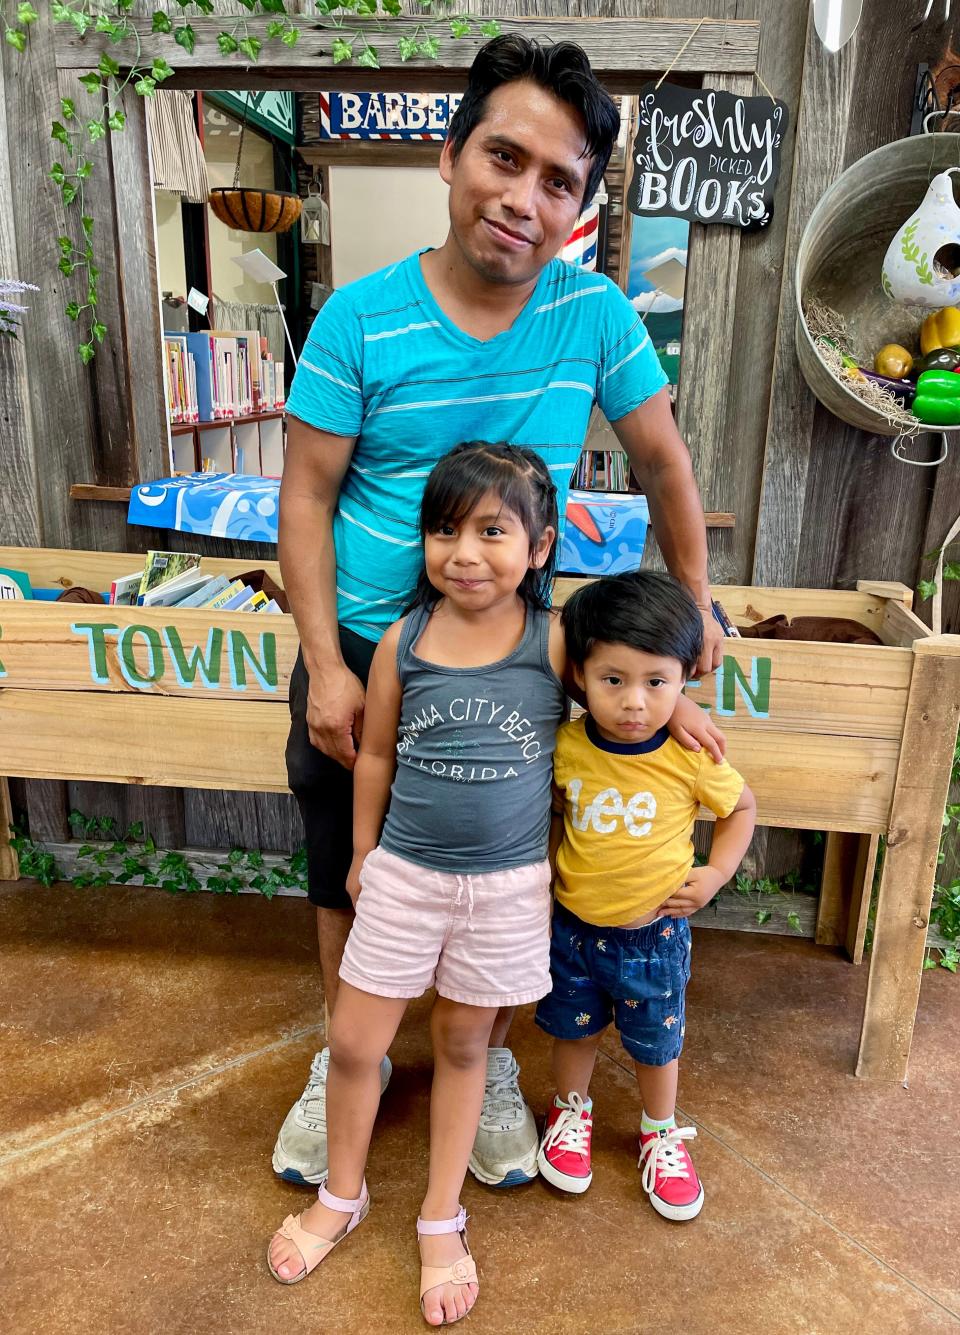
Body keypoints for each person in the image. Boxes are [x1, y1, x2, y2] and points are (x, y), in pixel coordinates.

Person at [275, 32, 726, 1193]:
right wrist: (324, 661)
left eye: (559, 181)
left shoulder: (596, 316)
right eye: (504, 157)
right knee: (349, 867)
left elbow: (668, 468)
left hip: (526, 666)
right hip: (374, 658)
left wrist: (691, 621)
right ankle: (345, 1063)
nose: (525, 198)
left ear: (580, 204)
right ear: (450, 152)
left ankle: (489, 1064)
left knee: (513, 870)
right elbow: (308, 497)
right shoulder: (358, 321)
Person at [268, 443, 566, 1323]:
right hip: (403, 877)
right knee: (358, 1042)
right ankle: (342, 1195)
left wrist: (686, 703)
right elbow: (378, 755)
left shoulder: (556, 643)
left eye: (491, 530)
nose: (464, 552)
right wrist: (363, 850)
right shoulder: (406, 638)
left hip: (507, 890)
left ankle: (442, 1218)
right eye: (444, 530)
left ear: (539, 546)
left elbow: (632, 682)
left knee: (465, 1047)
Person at [534, 573, 756, 1220]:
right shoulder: (567, 747)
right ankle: (570, 1111)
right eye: (613, 680)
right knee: (572, 1030)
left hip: (652, 935)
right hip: (573, 928)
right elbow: (554, 814)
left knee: (656, 1044)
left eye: (656, 683)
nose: (634, 702)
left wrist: (715, 874)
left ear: (684, 675)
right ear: (579, 674)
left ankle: (659, 1129)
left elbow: (741, 806)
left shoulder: (691, 752)